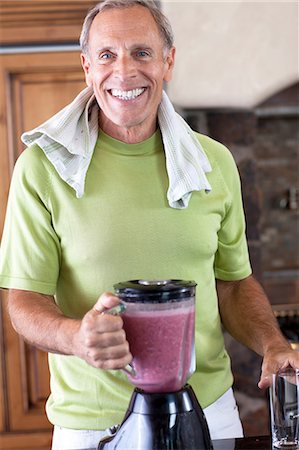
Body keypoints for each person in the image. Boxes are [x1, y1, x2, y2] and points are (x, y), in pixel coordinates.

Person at [0, 1, 298, 449]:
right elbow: (23, 300)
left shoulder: (213, 162)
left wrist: (273, 345)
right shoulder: (42, 168)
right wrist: (76, 337)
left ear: (168, 62)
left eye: (142, 52)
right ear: (86, 67)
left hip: (209, 412)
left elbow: (233, 284)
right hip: (91, 423)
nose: (124, 72)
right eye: (106, 55)